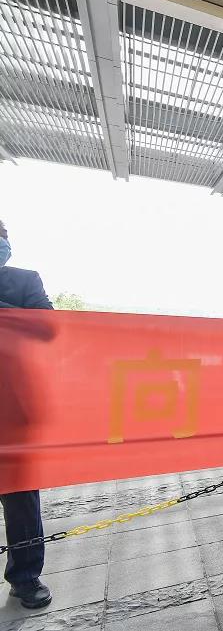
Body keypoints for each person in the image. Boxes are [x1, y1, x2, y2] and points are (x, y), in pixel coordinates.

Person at [0, 219, 54, 609]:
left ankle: (25, 576)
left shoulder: (24, 281)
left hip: (13, 406)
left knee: (20, 498)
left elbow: (49, 328)